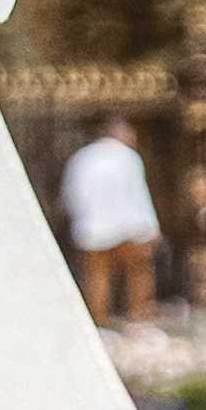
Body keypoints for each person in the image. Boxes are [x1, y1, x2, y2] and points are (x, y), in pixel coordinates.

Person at [58, 118, 158, 326]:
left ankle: (99, 322)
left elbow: (71, 195)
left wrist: (80, 221)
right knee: (138, 274)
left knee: (97, 277)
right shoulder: (127, 157)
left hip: (92, 228)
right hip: (128, 228)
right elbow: (137, 194)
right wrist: (151, 226)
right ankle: (137, 319)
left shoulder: (81, 158)